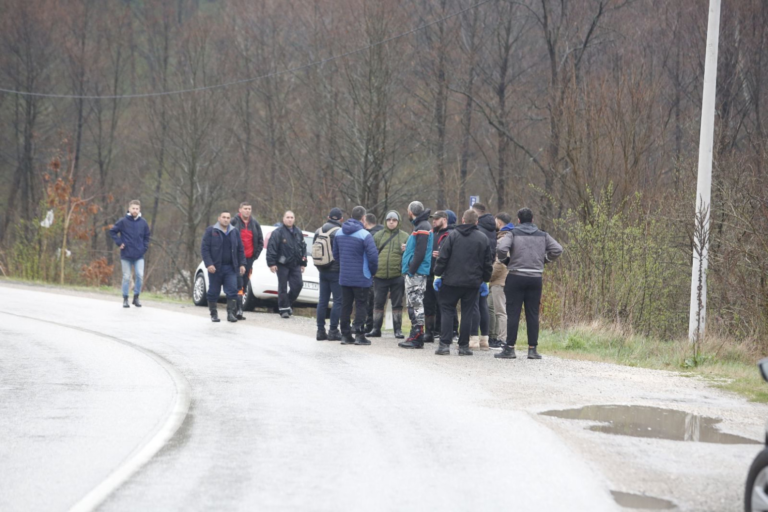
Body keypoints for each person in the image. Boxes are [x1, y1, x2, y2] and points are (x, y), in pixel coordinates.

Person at [495, 207, 563, 360]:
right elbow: (558, 249)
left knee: (513, 313)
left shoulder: (513, 233)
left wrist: (505, 260)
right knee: (532, 314)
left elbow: (501, 247)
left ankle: (510, 348)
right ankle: (532, 349)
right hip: (535, 277)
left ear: (518, 220)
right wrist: (545, 260)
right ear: (533, 220)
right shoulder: (543, 235)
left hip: (516, 276)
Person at [432, 209, 494, 356]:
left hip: (451, 281)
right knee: (467, 312)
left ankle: (444, 345)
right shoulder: (483, 238)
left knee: (447, 310)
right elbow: (488, 262)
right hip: (472, 283)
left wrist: (438, 275)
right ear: (477, 222)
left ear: (463, 219)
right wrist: (485, 280)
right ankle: (464, 346)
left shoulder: (453, 236)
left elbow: (443, 258)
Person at [333, 206, 379, 345]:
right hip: (362, 276)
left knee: (346, 305)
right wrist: (372, 272)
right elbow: (373, 257)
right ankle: (359, 334)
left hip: (345, 276)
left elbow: (336, 255)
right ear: (363, 218)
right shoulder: (365, 235)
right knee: (361, 305)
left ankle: (345, 335)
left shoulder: (339, 233)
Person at [367, 210, 409, 338]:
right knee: (378, 303)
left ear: (398, 222)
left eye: (394, 220)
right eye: (389, 220)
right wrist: (372, 271)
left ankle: (398, 330)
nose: (391, 222)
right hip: (379, 276)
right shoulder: (378, 236)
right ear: (385, 221)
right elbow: (371, 255)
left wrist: (406, 250)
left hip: (397, 276)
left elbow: (409, 257)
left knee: (397, 304)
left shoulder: (405, 236)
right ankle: (376, 329)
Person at [398, 201, 433, 349]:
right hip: (414, 272)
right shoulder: (419, 226)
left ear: (411, 211)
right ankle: (414, 332)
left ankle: (418, 335)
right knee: (412, 303)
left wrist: (411, 270)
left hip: (417, 273)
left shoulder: (423, 227)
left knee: (417, 302)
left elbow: (420, 252)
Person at [201, 211, 246, 323]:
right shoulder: (211, 231)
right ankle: (214, 314)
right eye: (223, 217)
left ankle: (231, 314)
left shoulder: (234, 232)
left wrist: (242, 263)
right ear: (219, 218)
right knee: (213, 292)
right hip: (215, 268)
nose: (226, 219)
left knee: (232, 291)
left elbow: (240, 249)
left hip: (230, 268)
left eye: (228, 217)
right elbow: (205, 249)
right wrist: (209, 264)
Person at [110, 200, 151, 308]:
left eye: (137, 209)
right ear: (129, 209)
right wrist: (119, 243)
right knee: (126, 277)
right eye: (133, 208)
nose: (135, 210)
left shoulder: (143, 223)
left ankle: (136, 297)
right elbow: (112, 231)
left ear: (139, 210)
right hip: (126, 255)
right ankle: (125, 298)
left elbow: (147, 236)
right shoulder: (123, 221)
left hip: (139, 255)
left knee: (139, 275)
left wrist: (144, 248)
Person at [266, 211, 307, 319]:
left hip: (295, 264)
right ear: (283, 219)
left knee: (298, 285)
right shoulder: (278, 232)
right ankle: (283, 309)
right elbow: (271, 248)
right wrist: (271, 263)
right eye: (287, 217)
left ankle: (287, 303)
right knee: (283, 287)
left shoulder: (298, 231)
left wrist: (303, 263)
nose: (290, 219)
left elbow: (303, 248)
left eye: (292, 217)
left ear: (294, 219)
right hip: (282, 264)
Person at [313, 208, 344, 341]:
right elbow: (341, 252)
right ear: (341, 219)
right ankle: (333, 331)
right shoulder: (339, 232)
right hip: (336, 271)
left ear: (328, 217)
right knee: (337, 301)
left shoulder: (318, 231)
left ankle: (320, 331)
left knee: (322, 301)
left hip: (322, 270)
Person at [469, 202, 497, 350]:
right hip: (488, 270)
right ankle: (484, 339)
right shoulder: (492, 228)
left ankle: (473, 338)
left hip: (476, 270)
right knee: (483, 304)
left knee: (474, 304)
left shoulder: (479, 229)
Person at [423, 210, 454, 343]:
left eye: (437, 218)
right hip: (429, 273)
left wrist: (442, 254)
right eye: (433, 219)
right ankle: (429, 332)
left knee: (443, 305)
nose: (434, 221)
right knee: (428, 304)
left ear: (444, 220)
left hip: (443, 275)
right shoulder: (431, 234)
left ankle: (445, 333)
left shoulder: (451, 234)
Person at [230, 201, 264, 320]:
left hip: (249, 259)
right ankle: (237, 310)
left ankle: (237, 308)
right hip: (235, 259)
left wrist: (255, 256)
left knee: (244, 283)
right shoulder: (233, 222)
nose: (247, 211)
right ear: (240, 210)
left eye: (249, 208)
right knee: (237, 282)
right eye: (245, 208)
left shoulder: (255, 224)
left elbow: (260, 241)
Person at [488, 212, 514, 349]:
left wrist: (488, 276)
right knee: (495, 309)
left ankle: (502, 339)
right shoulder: (510, 237)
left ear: (499, 223)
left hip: (500, 280)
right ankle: (496, 336)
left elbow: (500, 263)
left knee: (500, 311)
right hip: (501, 280)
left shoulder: (503, 239)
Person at [363, 213, 384, 333]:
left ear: (365, 222)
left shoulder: (368, 235)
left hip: (371, 272)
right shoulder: (383, 233)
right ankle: (375, 326)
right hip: (382, 271)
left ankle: (369, 325)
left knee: (368, 300)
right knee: (377, 301)